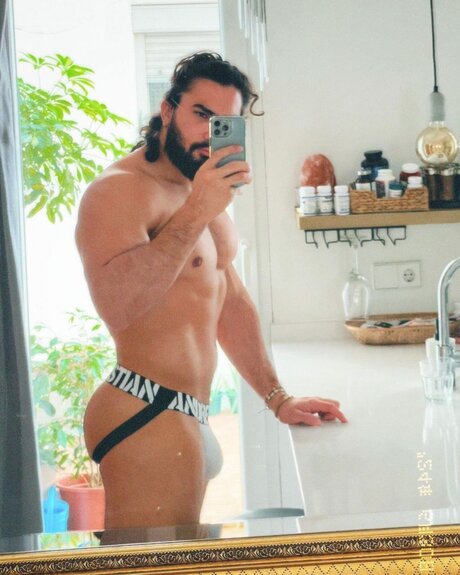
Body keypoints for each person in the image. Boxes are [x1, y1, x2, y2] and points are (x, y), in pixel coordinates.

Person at [75, 51, 347, 530]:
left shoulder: (199, 190)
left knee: (188, 556)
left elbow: (229, 299)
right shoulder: (117, 191)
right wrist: (199, 208)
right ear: (168, 110)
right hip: (144, 409)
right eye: (201, 114)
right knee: (154, 564)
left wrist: (278, 398)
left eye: (224, 122)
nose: (209, 133)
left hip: (189, 411)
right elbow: (118, 307)